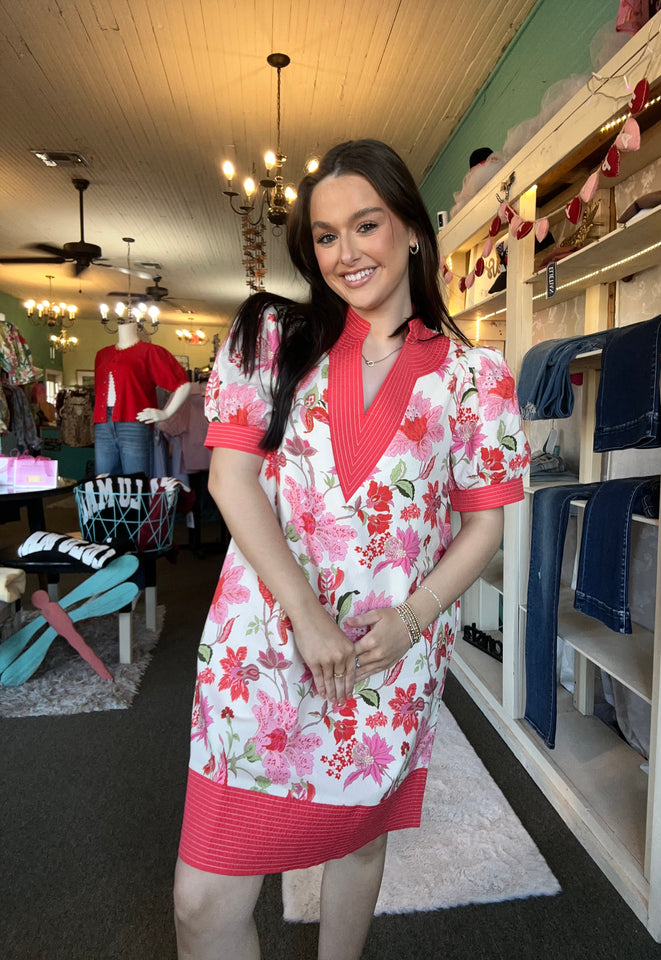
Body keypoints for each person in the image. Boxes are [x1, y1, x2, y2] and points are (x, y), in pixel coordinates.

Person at [173, 139, 531, 960]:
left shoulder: (477, 378)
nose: (345, 252)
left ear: (410, 229)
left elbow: (484, 524)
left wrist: (411, 621)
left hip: (385, 654)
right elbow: (232, 483)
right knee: (200, 900)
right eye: (326, 236)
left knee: (359, 841)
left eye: (365, 224)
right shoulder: (271, 339)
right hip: (259, 648)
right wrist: (306, 617)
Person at [93, 318, 190, 476]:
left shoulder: (150, 352)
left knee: (136, 483)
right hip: (102, 423)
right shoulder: (102, 355)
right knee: (104, 484)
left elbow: (183, 383)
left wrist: (166, 413)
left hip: (134, 422)